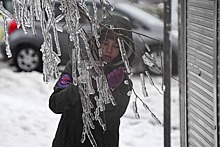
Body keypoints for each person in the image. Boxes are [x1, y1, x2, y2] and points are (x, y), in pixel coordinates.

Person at [49, 14, 134, 147]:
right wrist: (82, 84)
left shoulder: (123, 82)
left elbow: (109, 122)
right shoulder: (76, 66)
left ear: (124, 50)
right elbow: (55, 104)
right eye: (105, 43)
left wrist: (109, 91)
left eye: (116, 46)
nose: (108, 50)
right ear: (97, 41)